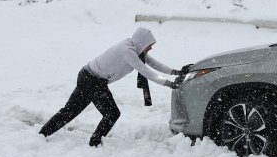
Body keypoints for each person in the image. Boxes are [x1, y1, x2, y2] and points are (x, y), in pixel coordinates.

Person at [40, 27, 183, 147]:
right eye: (150, 44)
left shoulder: (134, 48)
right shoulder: (128, 52)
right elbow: (146, 71)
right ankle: (94, 143)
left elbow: (154, 64)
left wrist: (175, 72)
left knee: (71, 110)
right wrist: (169, 84)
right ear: (142, 42)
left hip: (91, 78)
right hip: (92, 80)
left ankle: (44, 134)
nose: (151, 48)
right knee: (110, 113)